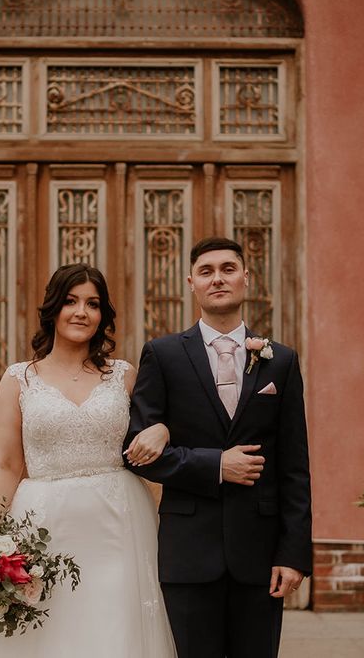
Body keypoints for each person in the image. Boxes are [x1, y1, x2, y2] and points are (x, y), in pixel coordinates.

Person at [0, 263, 177, 658]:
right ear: (53, 308)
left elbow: (153, 431)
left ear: (103, 315)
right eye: (70, 301)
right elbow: (6, 464)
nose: (81, 312)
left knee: (114, 624)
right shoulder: (19, 379)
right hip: (43, 521)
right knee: (44, 628)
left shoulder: (124, 375)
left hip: (118, 522)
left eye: (92, 303)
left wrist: (164, 430)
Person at [123, 236, 312, 658]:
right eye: (206, 272)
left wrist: (294, 554)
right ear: (191, 282)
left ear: (246, 277)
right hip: (189, 552)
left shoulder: (279, 360)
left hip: (260, 555)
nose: (218, 279)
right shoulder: (163, 354)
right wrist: (215, 465)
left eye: (228, 269)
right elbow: (133, 452)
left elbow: (294, 466)